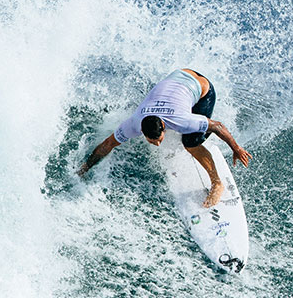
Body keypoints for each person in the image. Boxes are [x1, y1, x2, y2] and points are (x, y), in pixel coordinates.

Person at [76, 68, 252, 207]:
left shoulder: (180, 120)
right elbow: (107, 145)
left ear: (163, 126)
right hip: (176, 77)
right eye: (152, 141)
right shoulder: (133, 124)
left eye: (158, 139)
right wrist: (86, 167)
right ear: (142, 131)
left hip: (201, 87)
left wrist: (236, 148)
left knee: (190, 142)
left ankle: (217, 183)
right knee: (186, 133)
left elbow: (218, 126)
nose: (158, 144)